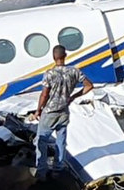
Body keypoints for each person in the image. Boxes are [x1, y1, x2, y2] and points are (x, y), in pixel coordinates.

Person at [34, 45, 92, 178]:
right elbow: (89, 86)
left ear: (54, 57)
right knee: (61, 140)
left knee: (41, 141)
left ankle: (41, 170)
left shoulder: (49, 73)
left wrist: (38, 110)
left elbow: (44, 95)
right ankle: (58, 168)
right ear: (65, 56)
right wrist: (73, 97)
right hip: (64, 111)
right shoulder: (74, 71)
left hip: (50, 111)